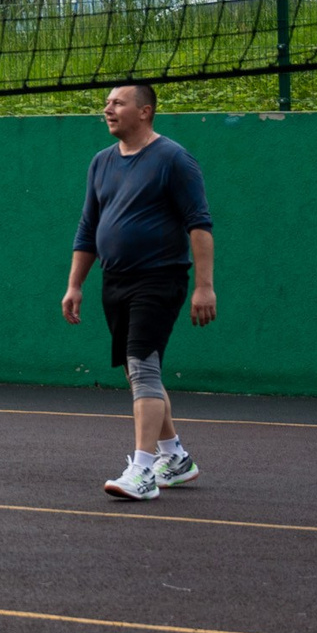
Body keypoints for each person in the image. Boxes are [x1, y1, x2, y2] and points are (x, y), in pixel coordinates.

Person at [61, 81, 216, 502]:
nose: (107, 109)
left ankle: (143, 472)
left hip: (160, 279)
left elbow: (199, 224)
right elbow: (88, 228)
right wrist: (76, 284)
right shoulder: (101, 162)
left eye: (118, 103)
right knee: (137, 370)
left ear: (144, 111)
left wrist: (205, 287)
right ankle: (176, 458)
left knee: (143, 368)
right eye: (107, 103)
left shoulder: (173, 159)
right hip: (116, 281)